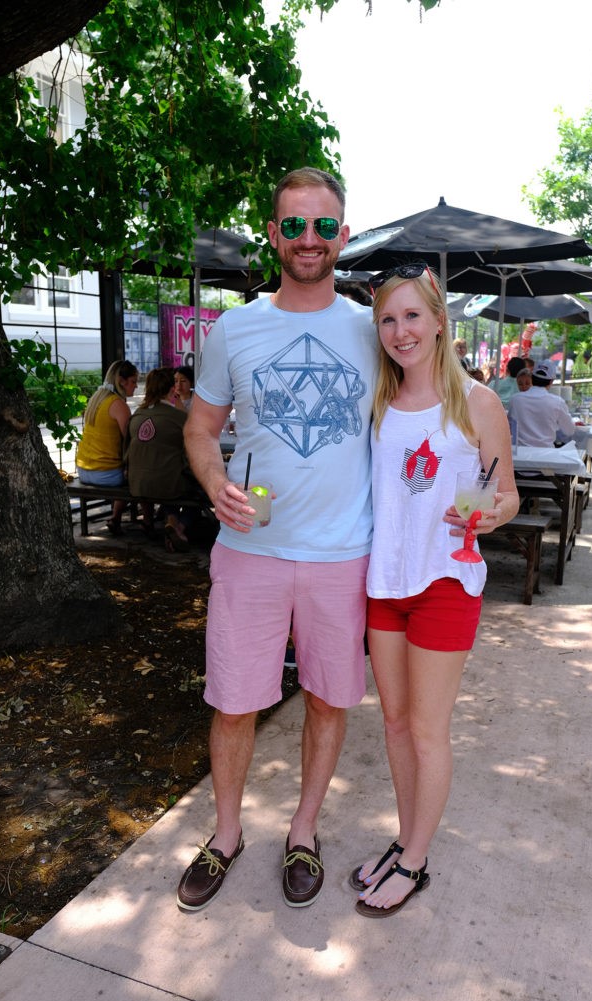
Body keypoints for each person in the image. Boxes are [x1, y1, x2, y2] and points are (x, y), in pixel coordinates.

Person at [176, 167, 377, 912]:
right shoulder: (236, 328)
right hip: (252, 552)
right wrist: (212, 482)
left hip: (341, 554)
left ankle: (304, 829)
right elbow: (200, 429)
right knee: (233, 701)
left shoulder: (371, 327)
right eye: (294, 225)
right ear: (273, 233)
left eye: (324, 226)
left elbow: (441, 398)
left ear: (343, 236)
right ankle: (226, 833)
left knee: (329, 700)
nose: (309, 240)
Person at [350, 262, 519, 918]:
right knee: (392, 724)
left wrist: (489, 514)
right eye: (388, 319)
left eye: (412, 315)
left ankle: (415, 862)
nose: (400, 331)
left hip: (446, 580)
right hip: (385, 582)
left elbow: (503, 494)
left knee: (426, 728)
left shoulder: (477, 402)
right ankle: (405, 838)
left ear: (440, 320)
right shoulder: (378, 401)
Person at [125, 366, 195, 551]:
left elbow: (127, 453)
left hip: (137, 484)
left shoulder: (137, 415)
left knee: (166, 475)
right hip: (167, 485)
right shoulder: (180, 417)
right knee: (198, 490)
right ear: (172, 389)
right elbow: (193, 454)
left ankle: (168, 520)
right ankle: (179, 525)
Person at [75, 359, 139, 534]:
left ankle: (116, 518)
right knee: (141, 475)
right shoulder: (119, 405)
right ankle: (142, 521)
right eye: (133, 381)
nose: (136, 387)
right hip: (105, 474)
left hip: (83, 470)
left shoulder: (96, 398)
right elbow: (131, 440)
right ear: (121, 381)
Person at [507, 360, 575, 447]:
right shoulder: (557, 402)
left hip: (520, 454)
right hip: (545, 455)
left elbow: (509, 427)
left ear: (532, 377)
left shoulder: (515, 400)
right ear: (551, 381)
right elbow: (569, 430)